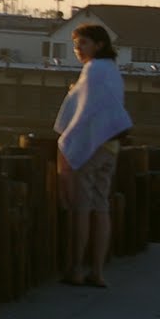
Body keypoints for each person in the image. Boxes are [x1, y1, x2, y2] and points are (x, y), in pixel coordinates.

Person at [54, 23, 133, 288]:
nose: (78, 49)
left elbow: (82, 113)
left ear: (99, 44)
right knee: (101, 208)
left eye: (83, 43)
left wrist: (70, 141)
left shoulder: (94, 69)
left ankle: (76, 269)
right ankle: (97, 271)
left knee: (82, 209)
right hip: (111, 147)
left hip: (91, 147)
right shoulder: (112, 70)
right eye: (76, 44)